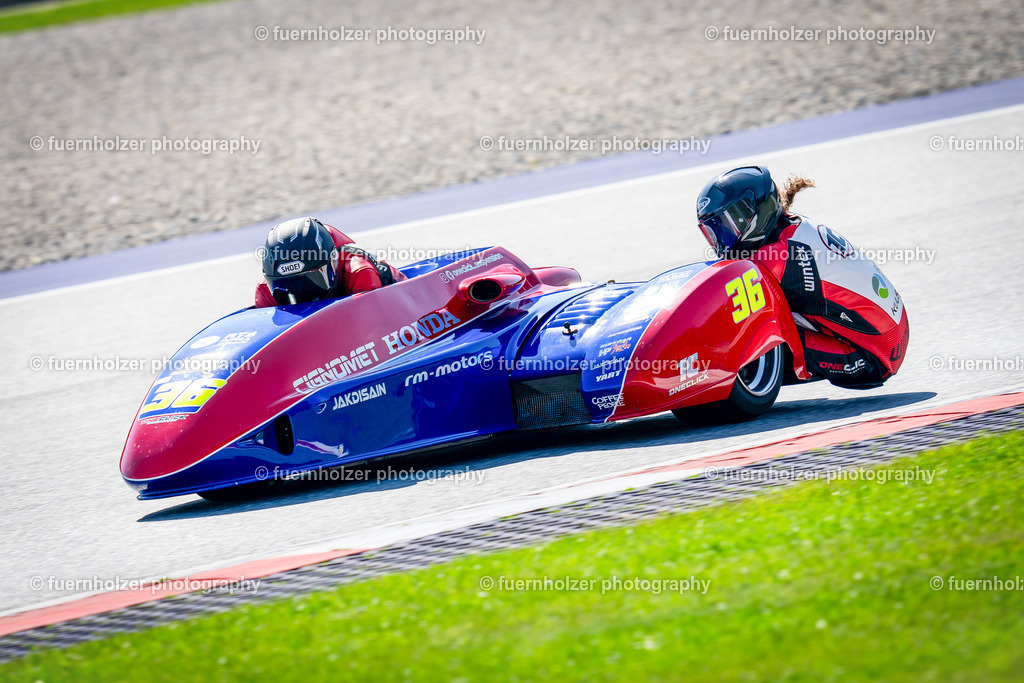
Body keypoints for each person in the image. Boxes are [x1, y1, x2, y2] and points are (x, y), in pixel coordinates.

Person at [695, 166, 909, 389]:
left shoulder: (776, 258)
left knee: (747, 330)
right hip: (892, 331)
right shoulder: (790, 224)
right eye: (714, 232)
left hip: (871, 358)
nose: (722, 242)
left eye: (729, 226)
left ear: (757, 213)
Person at [255, 216, 405, 307]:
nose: (301, 297)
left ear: (333, 263)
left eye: (309, 283)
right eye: (285, 287)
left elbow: (373, 328)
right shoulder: (265, 291)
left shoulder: (360, 273)